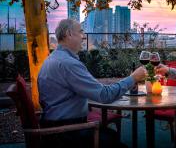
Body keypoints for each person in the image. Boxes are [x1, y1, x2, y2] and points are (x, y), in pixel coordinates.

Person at [38, 19, 146, 148]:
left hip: (55, 126)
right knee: (115, 141)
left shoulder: (53, 58)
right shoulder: (68, 64)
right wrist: (133, 78)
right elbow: (104, 96)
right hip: (66, 133)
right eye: (81, 32)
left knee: (110, 135)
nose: (83, 37)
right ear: (69, 34)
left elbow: (94, 90)